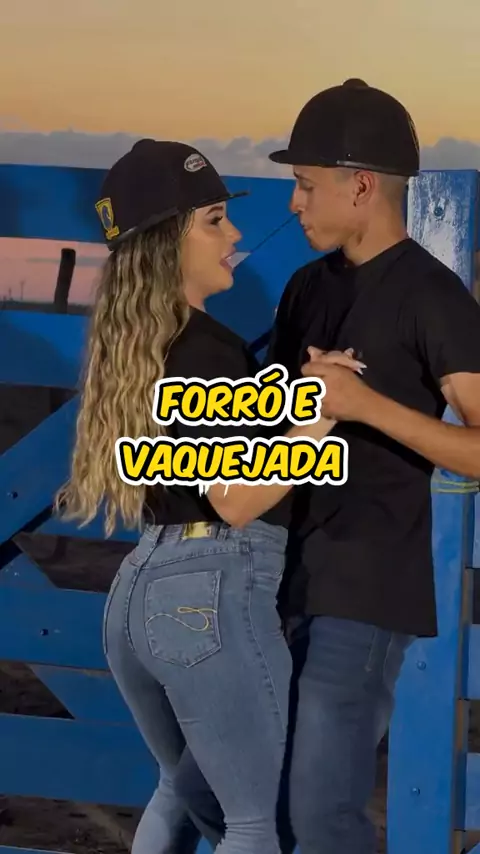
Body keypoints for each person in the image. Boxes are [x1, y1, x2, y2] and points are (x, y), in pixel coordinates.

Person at [172, 79, 480, 854]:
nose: (294, 203)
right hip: (273, 579)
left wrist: (364, 405)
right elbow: (273, 432)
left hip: (363, 590)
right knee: (209, 789)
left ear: (363, 186)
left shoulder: (432, 296)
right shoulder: (306, 288)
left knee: (321, 814)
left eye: (307, 185)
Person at [54, 138, 362, 854]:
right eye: (215, 221)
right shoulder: (206, 348)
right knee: (256, 823)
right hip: (211, 594)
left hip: (138, 593)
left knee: (176, 789)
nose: (234, 236)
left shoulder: (137, 346)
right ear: (168, 241)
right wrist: (319, 419)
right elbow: (234, 500)